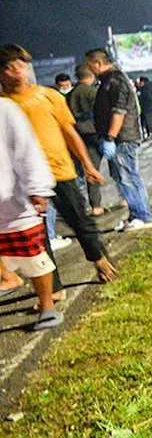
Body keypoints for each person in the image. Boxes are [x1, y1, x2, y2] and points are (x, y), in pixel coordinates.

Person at [0, 45, 118, 285]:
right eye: (9, 68)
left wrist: (88, 164)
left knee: (80, 220)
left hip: (59, 171)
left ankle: (99, 259)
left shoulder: (48, 96)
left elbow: (69, 132)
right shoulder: (3, 105)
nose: (17, 72)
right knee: (38, 238)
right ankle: (53, 290)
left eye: (20, 66)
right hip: (22, 183)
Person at [0, 97, 62, 330]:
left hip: (13, 200)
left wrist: (37, 188)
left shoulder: (5, 110)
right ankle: (8, 278)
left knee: (34, 255)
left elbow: (27, 150)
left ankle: (47, 306)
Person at [85, 48, 152, 231]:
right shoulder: (108, 81)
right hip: (117, 138)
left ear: (97, 63)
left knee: (128, 176)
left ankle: (143, 216)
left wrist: (110, 137)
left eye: (89, 65)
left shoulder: (115, 81)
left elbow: (119, 111)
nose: (89, 69)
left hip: (122, 138)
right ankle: (135, 215)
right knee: (121, 176)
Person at [68, 64, 106, 216]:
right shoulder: (93, 93)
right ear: (91, 76)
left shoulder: (70, 94)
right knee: (93, 169)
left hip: (75, 135)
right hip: (93, 133)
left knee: (77, 172)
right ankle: (96, 205)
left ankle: (79, 206)